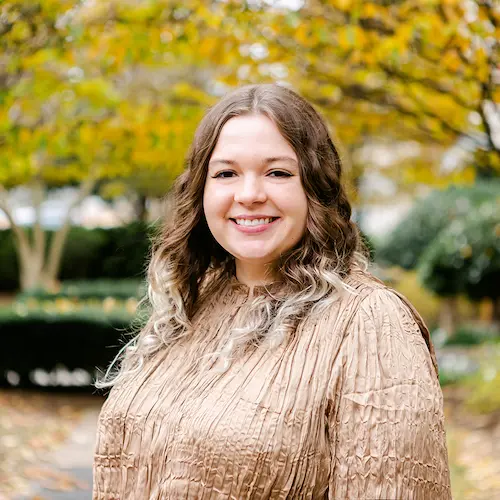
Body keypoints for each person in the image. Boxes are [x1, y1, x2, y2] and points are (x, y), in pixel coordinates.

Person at [93, 84, 451, 499]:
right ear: (201, 191)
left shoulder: (369, 321)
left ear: (314, 188)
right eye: (226, 173)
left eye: (278, 172)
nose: (249, 195)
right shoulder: (193, 303)